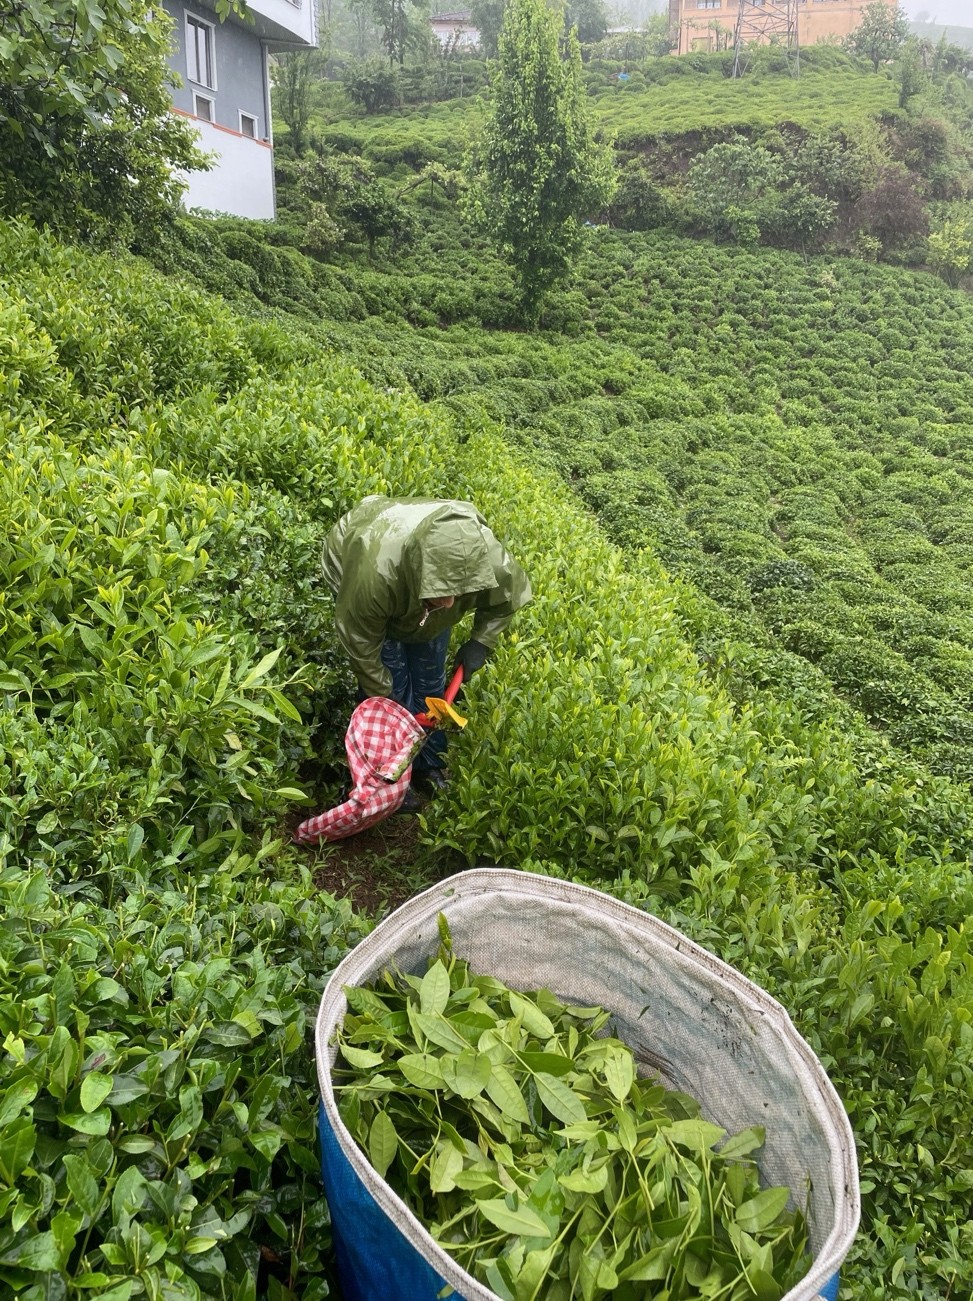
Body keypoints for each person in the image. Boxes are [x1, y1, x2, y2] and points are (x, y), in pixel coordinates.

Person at [320, 495, 532, 791]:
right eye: (439, 592)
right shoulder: (375, 575)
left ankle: (427, 766)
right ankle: (386, 778)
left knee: (431, 684)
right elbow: (362, 642)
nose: (448, 603)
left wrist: (481, 642)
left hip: (413, 595)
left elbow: (507, 601)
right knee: (392, 684)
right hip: (359, 558)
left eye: (456, 593)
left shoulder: (493, 565)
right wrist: (385, 703)